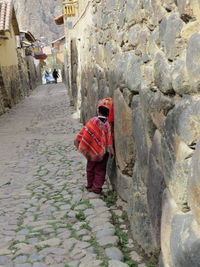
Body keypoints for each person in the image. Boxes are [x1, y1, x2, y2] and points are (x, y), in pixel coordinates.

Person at [74, 98, 114, 194]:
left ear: (98, 110)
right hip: (103, 154)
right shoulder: (108, 125)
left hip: (91, 152)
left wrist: (78, 141)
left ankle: (90, 185)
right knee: (100, 170)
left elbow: (84, 132)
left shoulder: (92, 121)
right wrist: (110, 150)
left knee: (90, 169)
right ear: (109, 113)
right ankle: (97, 188)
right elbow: (109, 140)